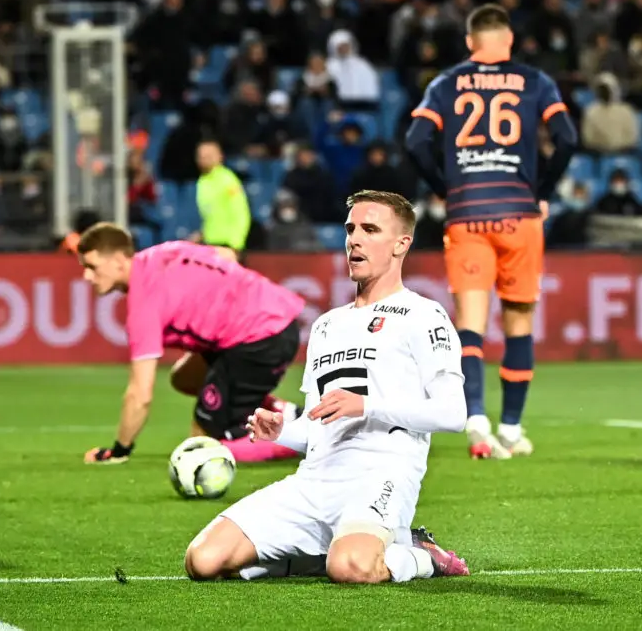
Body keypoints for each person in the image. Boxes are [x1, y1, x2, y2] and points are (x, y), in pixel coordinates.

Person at [184, 190, 470, 584]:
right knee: (203, 560)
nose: (355, 239)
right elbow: (318, 428)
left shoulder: (424, 315)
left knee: (351, 567)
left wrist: (367, 405)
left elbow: (453, 414)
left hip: (380, 477)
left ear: (401, 243)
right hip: (314, 481)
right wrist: (282, 431)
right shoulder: (326, 325)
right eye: (351, 229)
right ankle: (325, 553)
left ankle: (422, 555)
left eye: (370, 230)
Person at [404, 4, 578, 460]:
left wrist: (445, 189)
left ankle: (477, 422)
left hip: (468, 214)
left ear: (470, 42)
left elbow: (415, 141)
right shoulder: (535, 81)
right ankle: (513, 429)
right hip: (519, 213)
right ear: (509, 40)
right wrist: (542, 190)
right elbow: (567, 138)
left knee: (470, 325)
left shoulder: (447, 83)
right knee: (519, 323)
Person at [76, 224, 304, 465]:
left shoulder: (144, 305)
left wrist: (119, 451)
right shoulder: (166, 252)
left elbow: (140, 394)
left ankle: (303, 440)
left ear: (118, 261)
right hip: (274, 320)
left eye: (92, 267)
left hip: (260, 338)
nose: (86, 276)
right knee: (184, 378)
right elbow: (227, 254)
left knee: (202, 448)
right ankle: (283, 412)